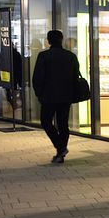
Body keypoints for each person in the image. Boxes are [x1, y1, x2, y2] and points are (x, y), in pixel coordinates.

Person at [32, 30, 80, 164]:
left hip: (48, 96)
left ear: (48, 41)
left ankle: (60, 148)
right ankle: (61, 153)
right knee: (63, 124)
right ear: (61, 40)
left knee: (46, 122)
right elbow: (76, 76)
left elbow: (37, 77)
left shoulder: (44, 56)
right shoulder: (70, 56)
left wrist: (39, 93)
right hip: (66, 96)